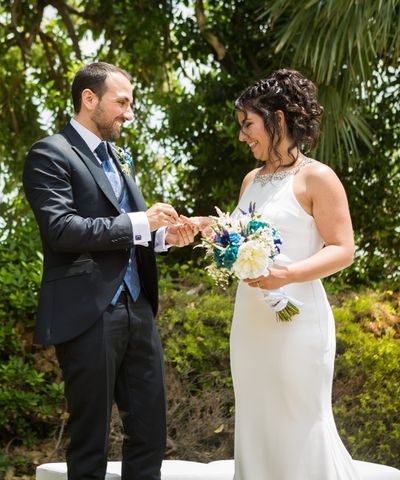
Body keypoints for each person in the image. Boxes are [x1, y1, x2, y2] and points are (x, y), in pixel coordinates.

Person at [23, 62, 198, 480]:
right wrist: (143, 222)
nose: (129, 113)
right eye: (122, 102)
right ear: (89, 99)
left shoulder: (119, 158)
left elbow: (124, 231)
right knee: (90, 439)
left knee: (151, 432)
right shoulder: (50, 153)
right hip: (88, 312)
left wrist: (163, 238)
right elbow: (63, 230)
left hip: (138, 311)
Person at [230, 69, 359, 479]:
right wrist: (211, 236)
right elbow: (237, 236)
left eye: (248, 125)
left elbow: (343, 249)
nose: (242, 136)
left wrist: (288, 274)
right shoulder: (251, 180)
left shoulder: (316, 177)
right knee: (256, 416)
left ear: (278, 120)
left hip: (297, 318)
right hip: (250, 320)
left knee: (299, 418)